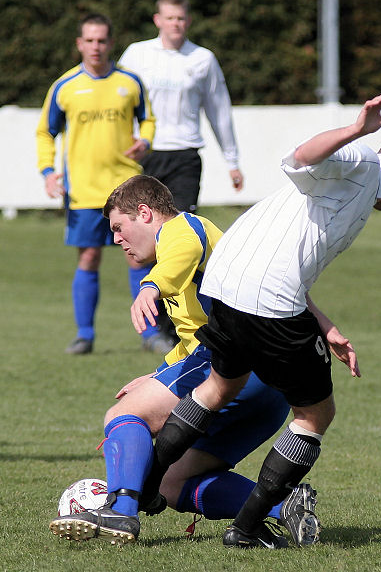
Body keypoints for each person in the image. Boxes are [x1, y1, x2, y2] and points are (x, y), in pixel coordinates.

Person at [130, 94, 381, 549]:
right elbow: (301, 155)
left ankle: (146, 490)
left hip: (226, 288)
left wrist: (324, 325)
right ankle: (245, 530)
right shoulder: (368, 162)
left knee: (217, 387)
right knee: (315, 414)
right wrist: (357, 129)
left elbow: (287, 253)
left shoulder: (357, 187)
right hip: (265, 300)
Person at [49, 175, 358, 547]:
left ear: (144, 213)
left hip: (230, 367)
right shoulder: (199, 249)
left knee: (122, 416)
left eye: (118, 227)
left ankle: (121, 510)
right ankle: (283, 505)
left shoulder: (183, 229)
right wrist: (160, 374)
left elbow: (182, 254)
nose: (116, 239)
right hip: (269, 387)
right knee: (173, 483)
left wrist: (150, 285)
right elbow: (194, 334)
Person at [118, 0, 244, 348]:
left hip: (186, 155)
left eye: (181, 18)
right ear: (158, 20)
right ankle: (151, 328)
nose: (176, 24)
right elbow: (119, 100)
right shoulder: (137, 54)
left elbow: (219, 110)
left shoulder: (202, 59)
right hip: (147, 156)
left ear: (188, 22)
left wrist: (232, 161)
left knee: (180, 235)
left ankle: (184, 325)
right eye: (169, 18)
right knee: (141, 236)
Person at [36, 13, 159, 355]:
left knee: (138, 259)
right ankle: (85, 335)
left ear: (110, 42)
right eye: (89, 40)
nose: (96, 47)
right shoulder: (65, 86)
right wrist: (48, 172)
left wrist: (145, 142)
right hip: (84, 190)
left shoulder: (130, 82)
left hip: (127, 189)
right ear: (79, 43)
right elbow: (46, 131)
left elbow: (147, 119)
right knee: (89, 257)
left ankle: (150, 335)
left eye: (101, 40)